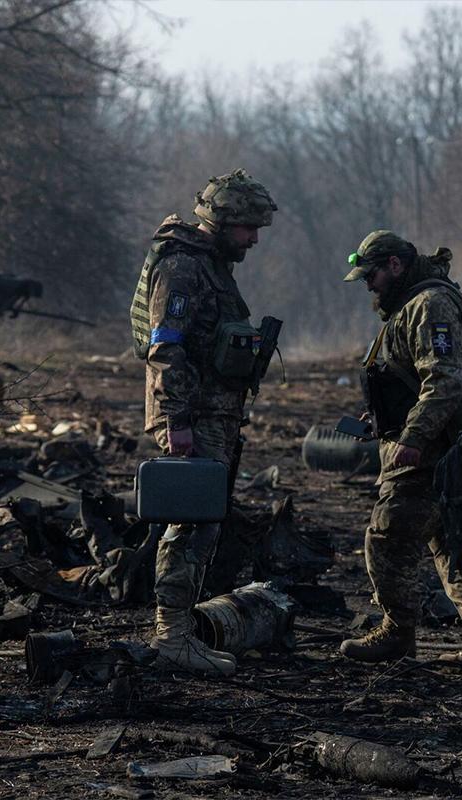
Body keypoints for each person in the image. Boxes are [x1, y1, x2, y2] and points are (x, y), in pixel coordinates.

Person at [339, 230, 462, 670]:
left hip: (434, 450)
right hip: (435, 445)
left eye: (372, 276)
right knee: (449, 543)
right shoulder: (410, 305)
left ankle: (397, 632)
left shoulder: (429, 305)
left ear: (395, 265)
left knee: (388, 535)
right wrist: (384, 421)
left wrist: (413, 438)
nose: (368, 285)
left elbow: (445, 381)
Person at [129, 168, 277, 676]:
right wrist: (177, 420)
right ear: (224, 221)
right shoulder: (183, 267)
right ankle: (171, 636)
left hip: (212, 413)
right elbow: (165, 346)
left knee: (205, 521)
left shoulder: (211, 266)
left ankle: (181, 628)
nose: (254, 239)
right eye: (248, 228)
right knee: (190, 521)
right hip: (190, 415)